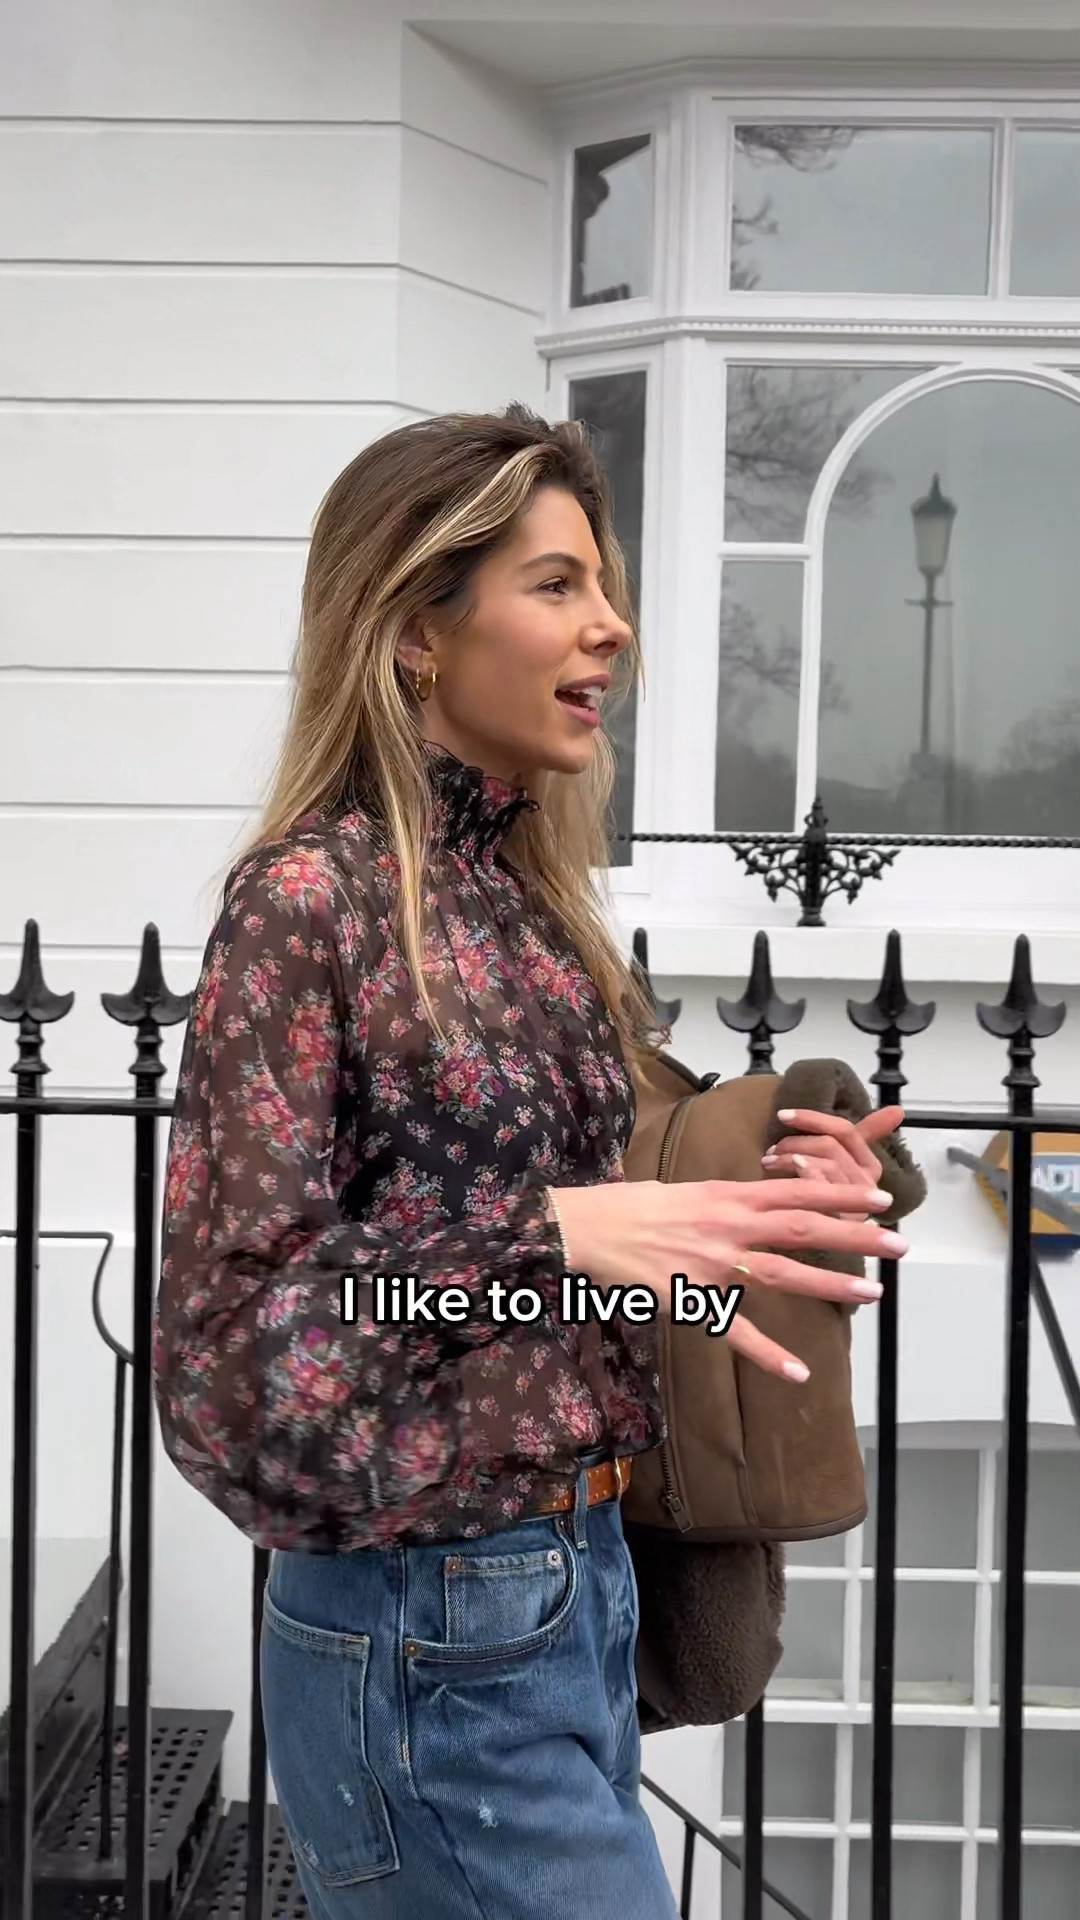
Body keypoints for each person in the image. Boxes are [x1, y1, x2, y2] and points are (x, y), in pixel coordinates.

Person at [152, 404, 907, 1919]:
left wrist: (762, 1218)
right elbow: (227, 1356)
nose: (612, 625)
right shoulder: (311, 904)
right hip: (427, 1628)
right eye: (557, 584)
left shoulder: (529, 911)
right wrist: (556, 1234)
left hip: (571, 1593)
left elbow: (543, 1303)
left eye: (601, 585)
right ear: (415, 630)